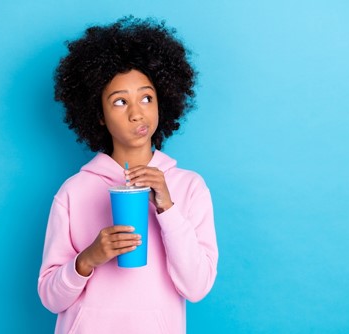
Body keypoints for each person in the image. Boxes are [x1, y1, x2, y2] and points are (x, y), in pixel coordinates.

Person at [38, 16, 218, 334]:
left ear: (163, 100)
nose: (137, 112)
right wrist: (88, 258)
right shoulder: (74, 191)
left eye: (146, 97)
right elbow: (51, 299)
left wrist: (167, 208)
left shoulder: (189, 187)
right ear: (99, 115)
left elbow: (197, 287)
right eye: (120, 102)